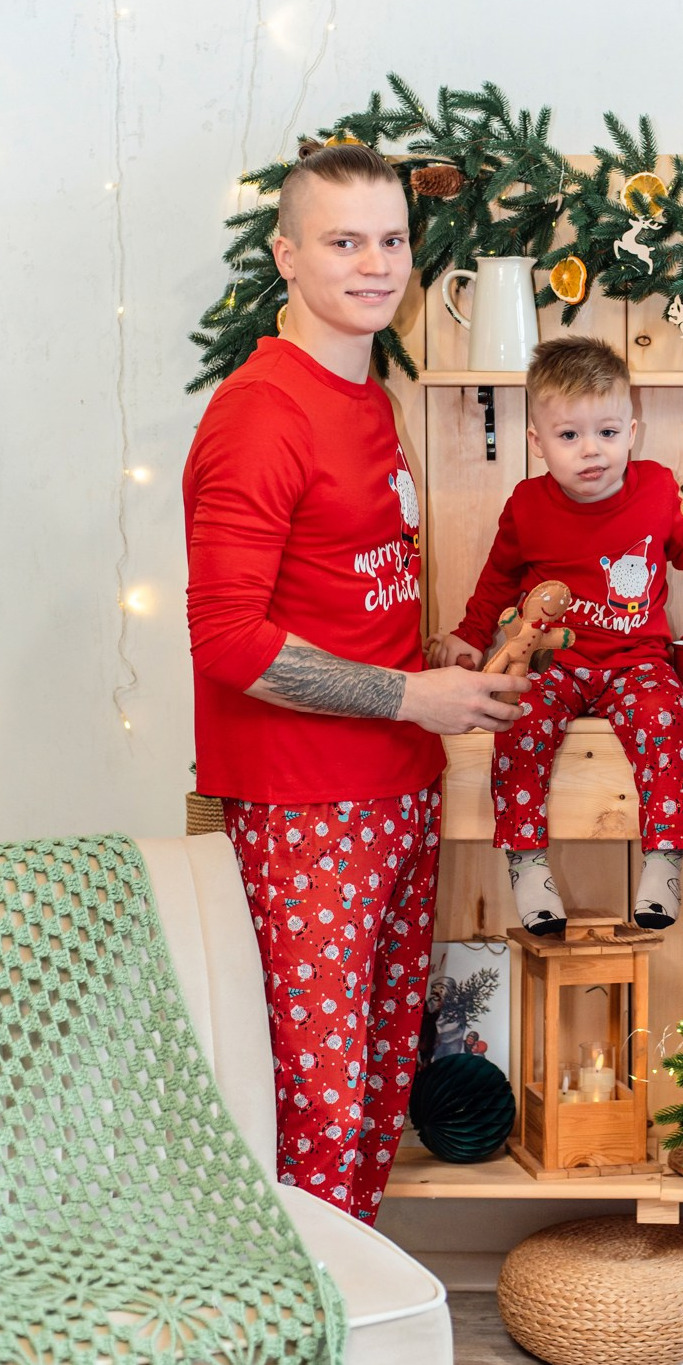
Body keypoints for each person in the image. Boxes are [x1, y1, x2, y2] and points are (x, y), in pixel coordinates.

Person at [183, 141, 526, 1225]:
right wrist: (406, 698)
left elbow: (343, 595)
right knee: (315, 1102)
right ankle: (302, 1355)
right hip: (305, 810)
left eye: (392, 241)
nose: (376, 265)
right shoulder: (260, 414)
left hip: (394, 791)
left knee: (377, 1091)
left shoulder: (363, 392)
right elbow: (228, 638)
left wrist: (432, 664)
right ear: (286, 255)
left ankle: (357, 1330)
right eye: (344, 242)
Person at [430, 336, 683, 936]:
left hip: (637, 661)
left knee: (669, 719)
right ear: (537, 443)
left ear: (631, 432)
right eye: (570, 436)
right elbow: (498, 579)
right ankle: (526, 861)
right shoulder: (528, 506)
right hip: (554, 665)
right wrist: (468, 634)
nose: (592, 451)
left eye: (607, 433)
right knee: (518, 722)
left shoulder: (657, 488)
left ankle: (663, 858)